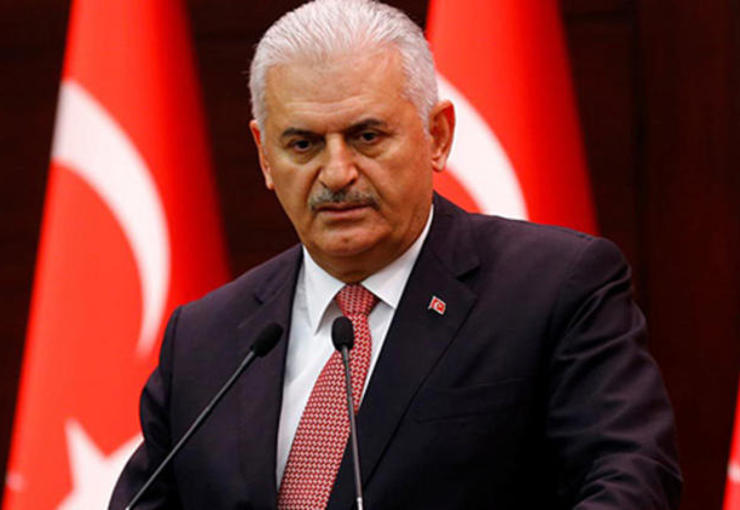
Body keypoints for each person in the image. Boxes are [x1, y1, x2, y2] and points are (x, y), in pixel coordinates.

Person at [110, 0, 682, 508]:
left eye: (367, 136)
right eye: (304, 144)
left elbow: (632, 482)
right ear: (264, 156)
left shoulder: (554, 290)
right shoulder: (206, 340)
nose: (337, 173)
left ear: (437, 135)